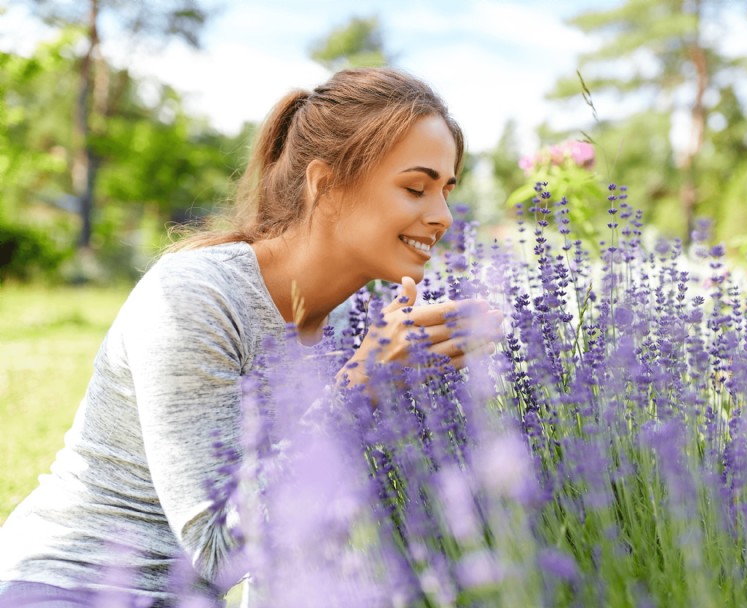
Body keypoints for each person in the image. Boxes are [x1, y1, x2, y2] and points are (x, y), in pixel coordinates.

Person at [0, 67, 502, 606]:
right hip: (68, 584)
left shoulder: (360, 319)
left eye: (447, 191)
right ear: (325, 184)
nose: (443, 216)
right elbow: (218, 551)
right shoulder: (194, 297)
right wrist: (363, 384)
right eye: (415, 187)